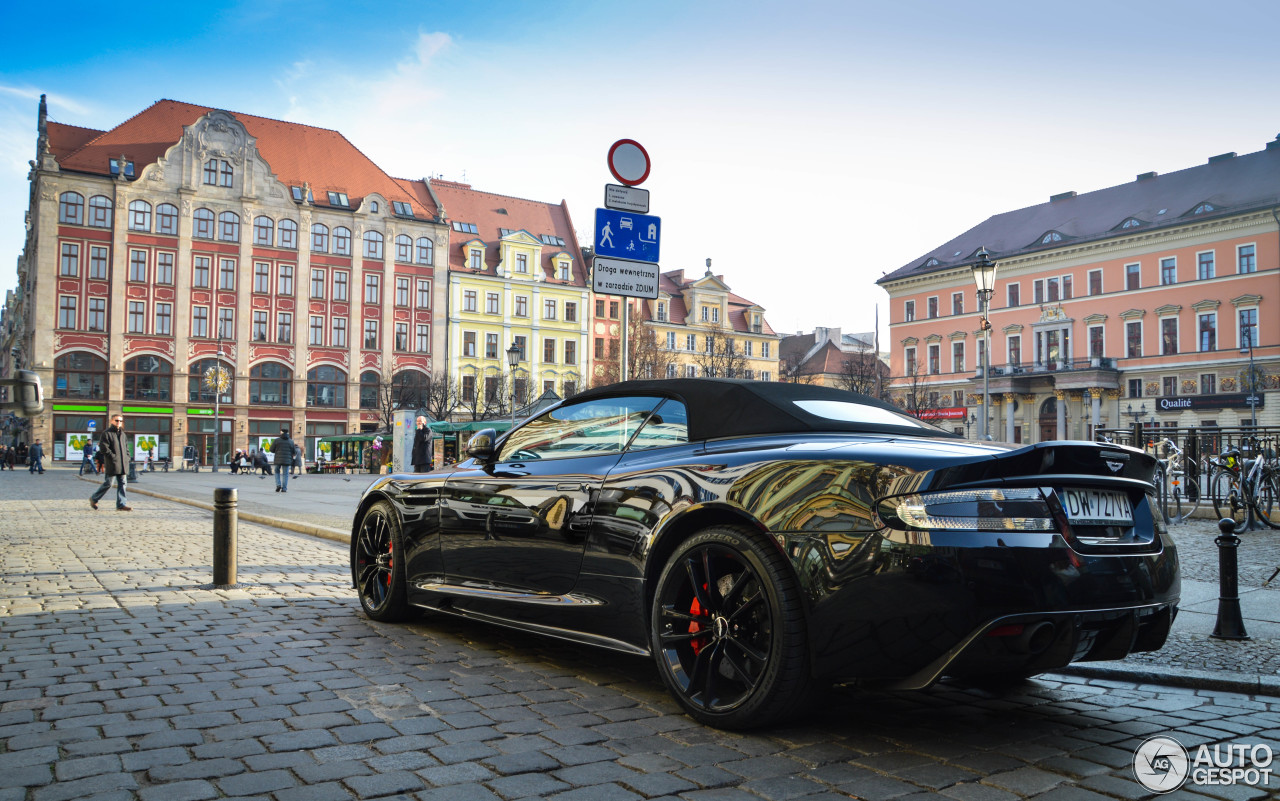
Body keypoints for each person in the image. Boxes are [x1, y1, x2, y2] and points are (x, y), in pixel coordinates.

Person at [90, 415, 131, 511]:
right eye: (117, 420)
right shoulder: (106, 433)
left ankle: (121, 504)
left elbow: (126, 448)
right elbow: (104, 448)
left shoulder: (123, 434)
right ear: (112, 421)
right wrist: (113, 457)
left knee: (123, 484)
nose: (119, 422)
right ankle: (94, 498)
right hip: (112, 463)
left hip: (123, 464)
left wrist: (127, 457)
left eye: (121, 421)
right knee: (108, 483)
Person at [270, 428, 296, 493]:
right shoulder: (291, 441)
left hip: (278, 460)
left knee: (277, 472)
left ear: (281, 432)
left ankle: (278, 485)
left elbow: (271, 449)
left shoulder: (277, 440)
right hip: (287, 460)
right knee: (285, 474)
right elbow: (294, 452)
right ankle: (284, 488)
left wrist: (277, 450)